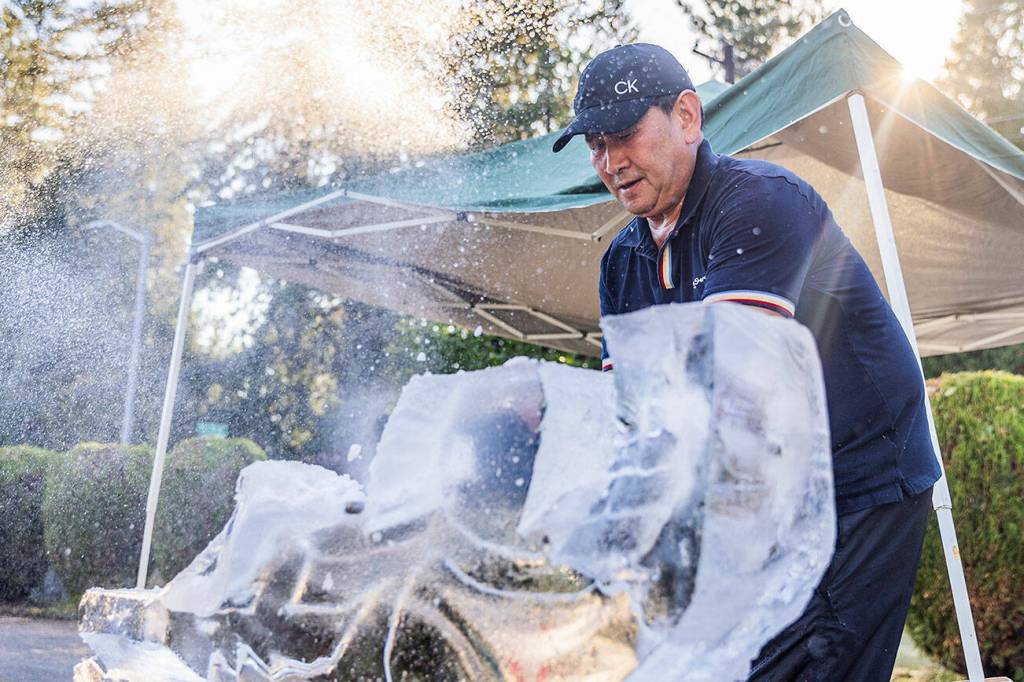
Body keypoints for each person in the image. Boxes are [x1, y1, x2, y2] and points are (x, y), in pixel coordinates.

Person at [551, 43, 942, 681]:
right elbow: (632, 419)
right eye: (595, 144)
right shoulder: (622, 263)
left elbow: (732, 391)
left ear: (686, 117)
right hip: (763, 490)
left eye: (624, 133)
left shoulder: (760, 203)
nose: (611, 161)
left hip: (860, 475)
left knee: (810, 662)